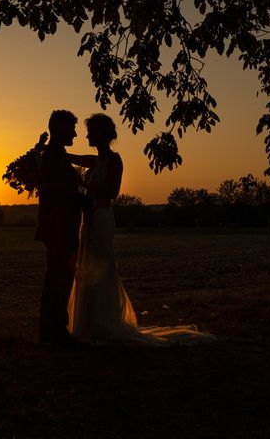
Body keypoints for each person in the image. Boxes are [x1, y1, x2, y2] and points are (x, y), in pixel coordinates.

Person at [66, 113, 215, 346]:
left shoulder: (114, 160)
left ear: (102, 134)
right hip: (88, 221)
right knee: (87, 267)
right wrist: (55, 153)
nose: (87, 135)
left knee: (102, 267)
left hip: (102, 219)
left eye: (91, 131)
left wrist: (82, 183)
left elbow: (111, 193)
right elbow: (75, 158)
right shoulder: (95, 160)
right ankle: (88, 322)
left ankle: (104, 321)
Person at [35, 110, 93, 347]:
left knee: (57, 279)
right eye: (72, 128)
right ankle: (55, 333)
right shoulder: (54, 156)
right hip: (60, 227)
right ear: (59, 128)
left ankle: (51, 332)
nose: (76, 133)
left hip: (59, 226)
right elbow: (61, 193)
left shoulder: (56, 154)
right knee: (59, 280)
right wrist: (87, 201)